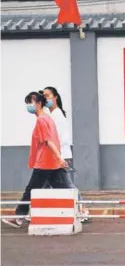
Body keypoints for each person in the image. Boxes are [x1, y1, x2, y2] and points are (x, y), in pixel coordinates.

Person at [2, 92, 72, 228]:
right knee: (63, 188)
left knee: (30, 190)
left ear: (39, 104)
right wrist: (59, 159)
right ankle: (78, 211)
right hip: (52, 162)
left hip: (45, 162)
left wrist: (59, 157)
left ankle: (19, 217)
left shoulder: (41, 120)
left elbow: (48, 141)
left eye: (31, 102)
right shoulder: (48, 118)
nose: (29, 105)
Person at [41, 87, 91, 223]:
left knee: (66, 186)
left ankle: (83, 210)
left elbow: (60, 139)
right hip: (53, 156)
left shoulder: (57, 115)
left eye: (47, 95)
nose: (45, 98)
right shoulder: (50, 114)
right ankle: (30, 212)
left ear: (55, 97)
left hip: (60, 156)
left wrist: (57, 156)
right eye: (43, 96)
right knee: (43, 185)